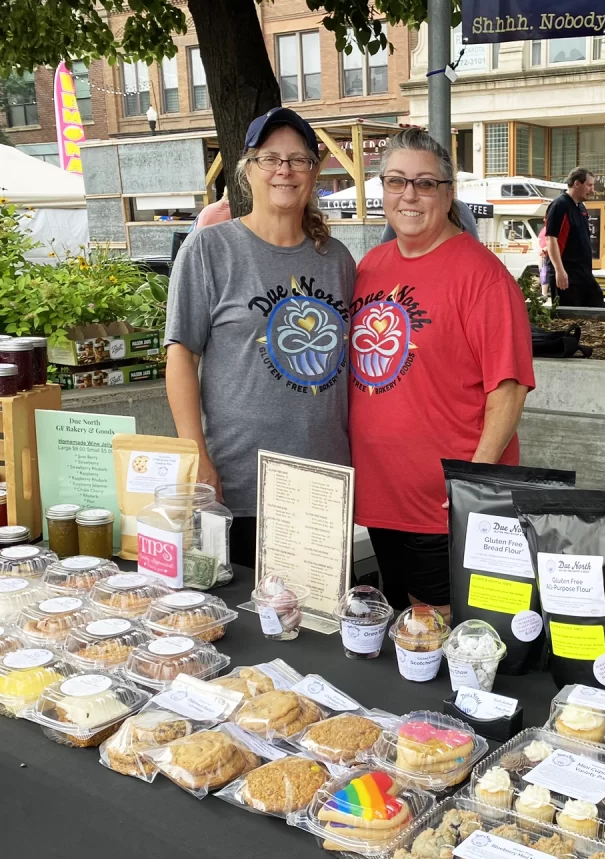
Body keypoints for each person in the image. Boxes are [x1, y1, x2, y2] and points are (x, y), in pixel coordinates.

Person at [349, 127, 534, 615]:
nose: (409, 194)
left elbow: (509, 389)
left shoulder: (482, 276)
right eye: (396, 181)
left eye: (425, 183)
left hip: (443, 507)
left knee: (436, 635)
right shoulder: (370, 267)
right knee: (398, 633)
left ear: (448, 194)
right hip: (381, 496)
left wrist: (467, 487)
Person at [164, 107, 355, 567]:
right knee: (242, 626)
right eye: (270, 158)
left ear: (313, 172)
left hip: (323, 481)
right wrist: (197, 456)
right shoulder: (210, 249)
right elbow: (181, 356)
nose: (284, 170)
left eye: (297, 160)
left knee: (315, 628)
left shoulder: (338, 260)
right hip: (238, 482)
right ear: (248, 170)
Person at [545, 167, 605, 308]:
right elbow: (551, 239)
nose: (592, 190)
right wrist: (559, 271)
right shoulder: (559, 205)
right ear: (577, 184)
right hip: (566, 274)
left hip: (584, 274)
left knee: (597, 304)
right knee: (570, 317)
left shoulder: (581, 207)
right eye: (589, 185)